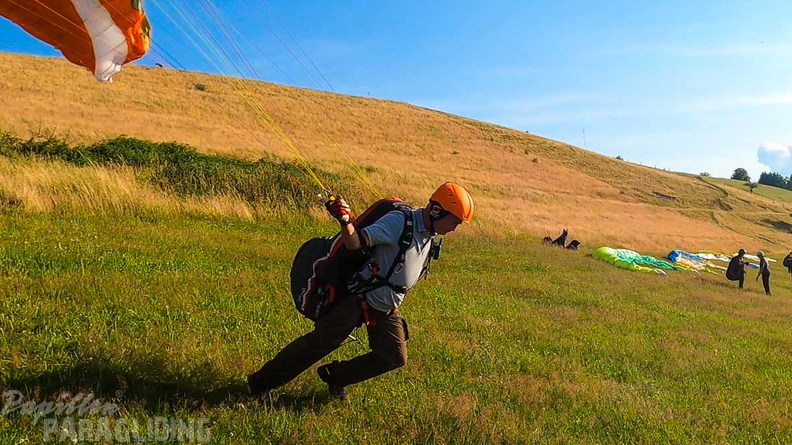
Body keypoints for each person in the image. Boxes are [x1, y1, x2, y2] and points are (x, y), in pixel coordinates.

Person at [247, 182, 474, 401]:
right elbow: (355, 242)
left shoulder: (429, 234)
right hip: (359, 298)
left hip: (385, 306)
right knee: (319, 343)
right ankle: (260, 384)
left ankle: (335, 376)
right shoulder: (399, 222)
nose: (454, 228)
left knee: (394, 356)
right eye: (454, 221)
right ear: (436, 210)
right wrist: (345, 220)